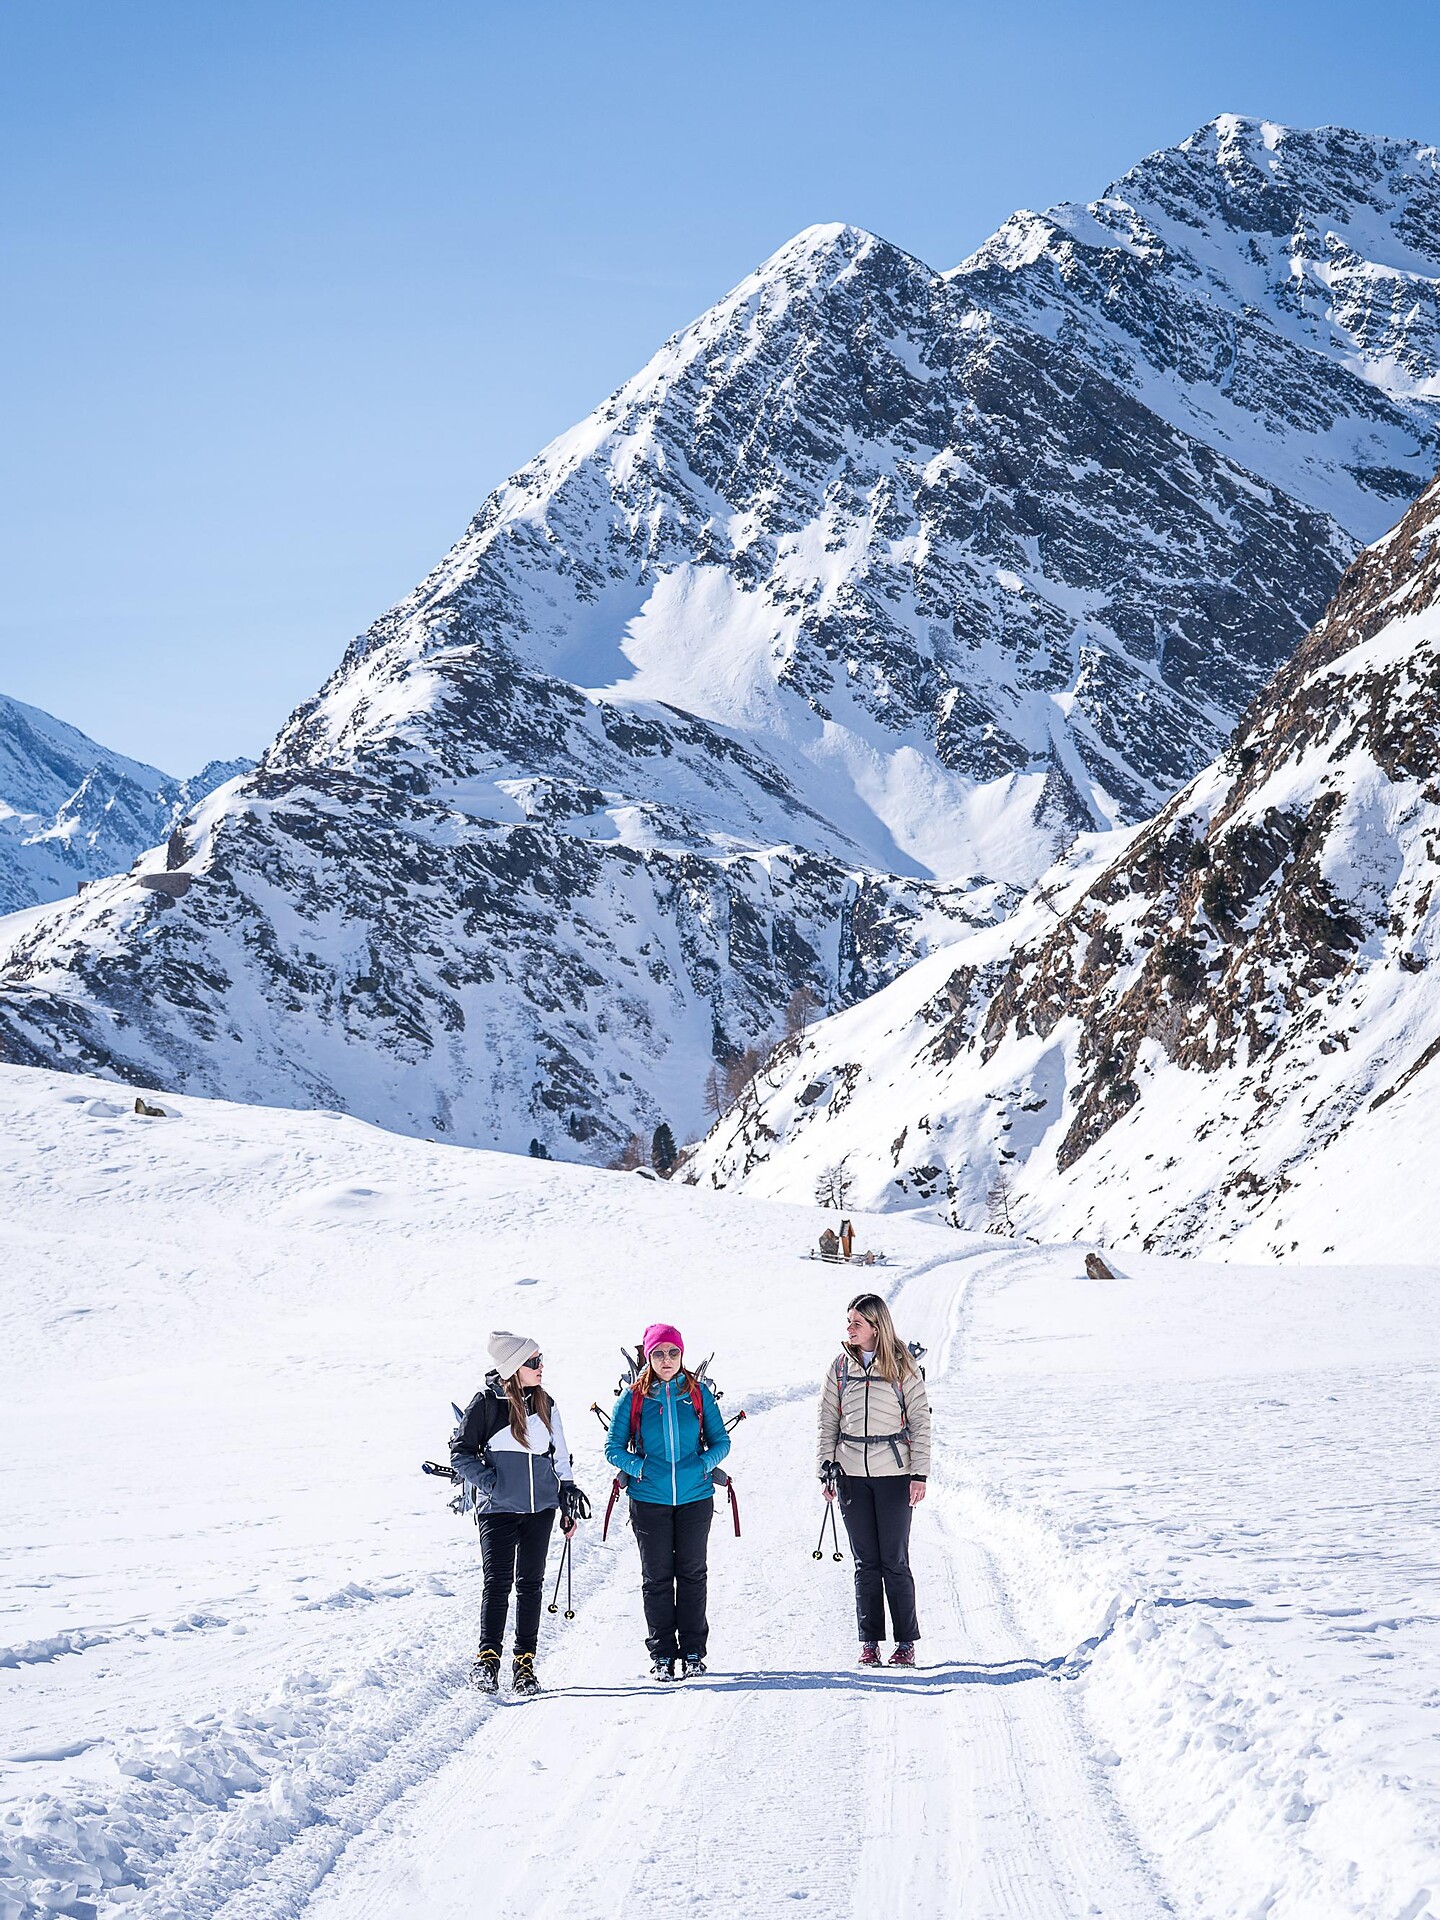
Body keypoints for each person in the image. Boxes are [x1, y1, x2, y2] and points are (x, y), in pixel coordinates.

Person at [450, 1331, 590, 1695]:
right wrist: (491, 1484)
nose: (541, 1367)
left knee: (531, 1585)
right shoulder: (486, 1403)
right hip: (497, 1509)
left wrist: (567, 1495)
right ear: (514, 1367)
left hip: (540, 1508)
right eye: (533, 1361)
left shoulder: (547, 1403)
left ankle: (525, 1664)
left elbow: (559, 1456)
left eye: (541, 1359)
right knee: (497, 1583)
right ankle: (487, 1660)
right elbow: (461, 1454)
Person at [605, 1323, 731, 1681]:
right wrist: (639, 1468)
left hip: (695, 1498)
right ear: (648, 1356)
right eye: (659, 1353)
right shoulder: (633, 1398)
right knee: (657, 1578)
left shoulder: (697, 1394)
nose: (666, 1359)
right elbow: (613, 1448)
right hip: (649, 1500)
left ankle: (693, 1652)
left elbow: (721, 1441)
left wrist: (703, 1464)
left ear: (682, 1354)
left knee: (692, 1575)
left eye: (673, 1352)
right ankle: (661, 1654)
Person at [816, 1293, 931, 1667]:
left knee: (894, 1561)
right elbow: (827, 1421)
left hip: (895, 1476)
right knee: (865, 1563)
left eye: (856, 1323)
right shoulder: (839, 1368)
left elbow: (921, 1421)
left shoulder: (902, 1366)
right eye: (848, 1322)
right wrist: (826, 1467)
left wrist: (919, 1474)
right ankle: (870, 1643)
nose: (849, 1329)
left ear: (876, 1327)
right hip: (850, 1476)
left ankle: (906, 1644)